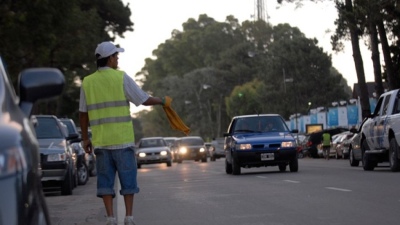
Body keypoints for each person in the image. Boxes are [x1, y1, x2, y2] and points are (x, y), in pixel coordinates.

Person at [79, 41, 170, 225]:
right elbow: (143, 99)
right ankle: (129, 218)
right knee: (128, 181)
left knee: (105, 182)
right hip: (123, 141)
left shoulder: (87, 82)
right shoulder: (121, 78)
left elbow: (83, 113)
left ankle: (111, 219)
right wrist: (162, 101)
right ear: (110, 58)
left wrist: (85, 139)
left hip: (102, 143)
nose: (118, 59)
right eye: (116, 56)